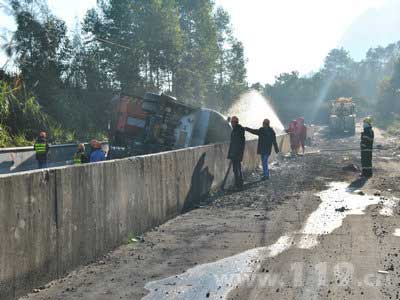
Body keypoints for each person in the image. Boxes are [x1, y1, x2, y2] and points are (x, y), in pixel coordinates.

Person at [227, 116, 245, 189]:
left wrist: (233, 153)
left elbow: (235, 144)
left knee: (236, 169)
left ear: (235, 122)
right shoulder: (238, 129)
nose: (231, 123)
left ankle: (238, 185)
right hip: (238, 153)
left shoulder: (237, 131)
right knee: (238, 169)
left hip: (236, 154)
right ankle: (240, 184)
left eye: (232, 122)